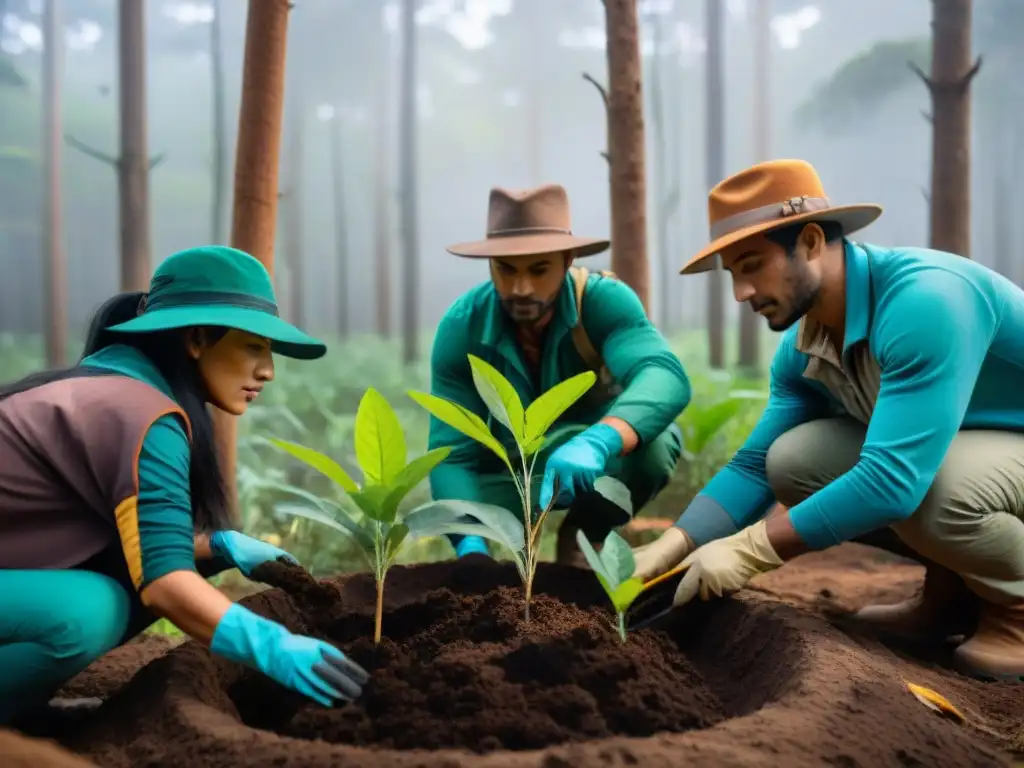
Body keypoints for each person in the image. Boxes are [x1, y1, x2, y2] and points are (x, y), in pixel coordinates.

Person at [633, 158, 1024, 682]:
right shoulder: (806, 344)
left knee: (937, 491)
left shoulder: (926, 302)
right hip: (986, 457)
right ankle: (953, 592)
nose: (740, 293)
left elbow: (891, 484)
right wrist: (675, 542)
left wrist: (752, 550)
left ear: (812, 241)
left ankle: (1015, 607)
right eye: (732, 273)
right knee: (793, 460)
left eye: (752, 264)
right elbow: (753, 466)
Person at [0, 245, 369, 725]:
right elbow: (163, 584)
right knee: (90, 610)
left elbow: (143, 543)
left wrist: (217, 544)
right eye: (254, 346)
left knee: (145, 575)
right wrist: (272, 647)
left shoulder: (119, 393)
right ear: (196, 339)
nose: (268, 371)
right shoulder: (143, 416)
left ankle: (18, 711)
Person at [426, 183, 690, 564]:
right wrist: (470, 545)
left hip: (595, 466)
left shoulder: (600, 303)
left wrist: (599, 441)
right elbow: (451, 455)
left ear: (567, 260)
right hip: (508, 477)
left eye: (538, 270)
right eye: (505, 269)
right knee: (463, 501)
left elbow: (664, 375)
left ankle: (583, 535)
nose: (521, 288)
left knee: (655, 446)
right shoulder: (463, 327)